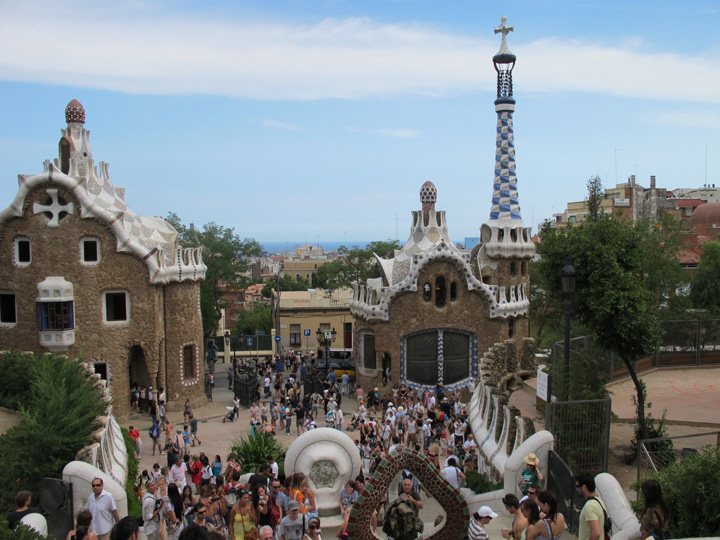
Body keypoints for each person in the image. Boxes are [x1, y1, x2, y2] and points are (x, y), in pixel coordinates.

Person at [576, 474, 608, 540]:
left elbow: (596, 533)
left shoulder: (589, 505)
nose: (576, 489)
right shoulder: (599, 501)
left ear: (584, 487)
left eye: (577, 486)